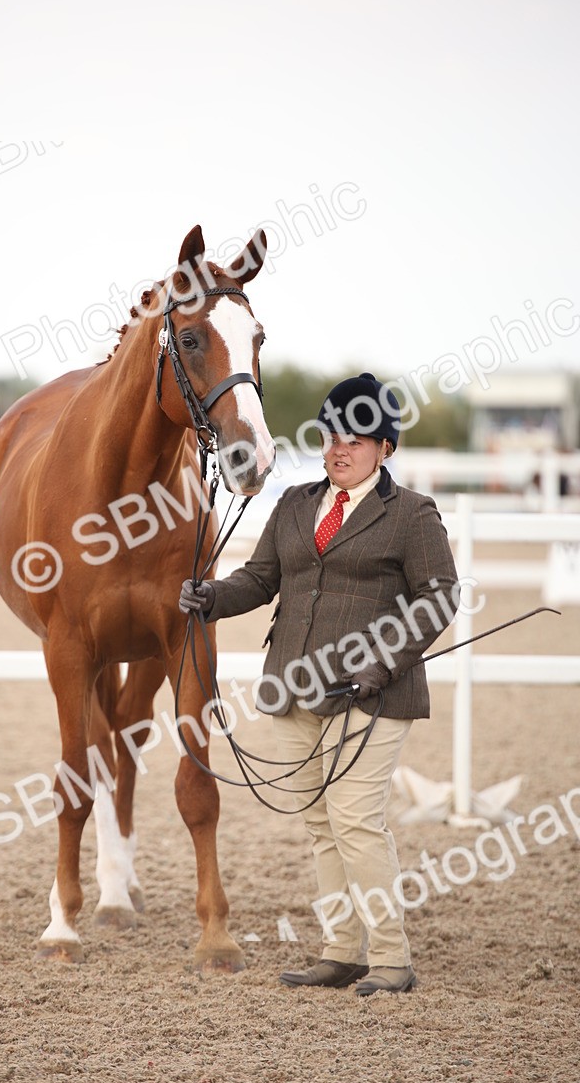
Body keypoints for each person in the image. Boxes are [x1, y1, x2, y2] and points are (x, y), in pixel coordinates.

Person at [179, 373, 459, 996]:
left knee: (356, 819)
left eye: (357, 439)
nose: (340, 448)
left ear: (386, 448)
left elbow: (440, 598)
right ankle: (341, 951)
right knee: (320, 825)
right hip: (296, 687)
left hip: (374, 692)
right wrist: (212, 598)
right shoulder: (296, 505)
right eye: (333, 435)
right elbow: (258, 580)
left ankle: (391, 958)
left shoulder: (412, 515)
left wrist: (384, 660)